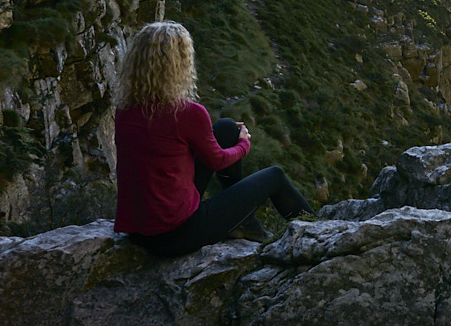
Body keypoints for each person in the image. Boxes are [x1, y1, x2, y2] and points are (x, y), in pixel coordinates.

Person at [113, 21, 314, 257]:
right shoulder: (187, 113)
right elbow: (217, 160)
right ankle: (319, 234)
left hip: (138, 230)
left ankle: (245, 222)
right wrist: (244, 144)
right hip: (175, 233)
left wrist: (232, 138)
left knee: (226, 128)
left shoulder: (125, 109)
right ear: (179, 64)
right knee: (275, 176)